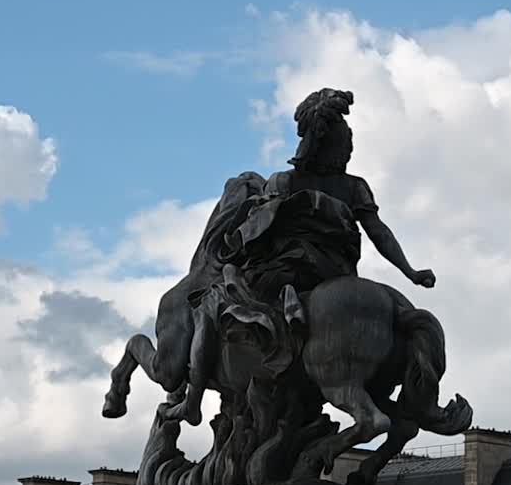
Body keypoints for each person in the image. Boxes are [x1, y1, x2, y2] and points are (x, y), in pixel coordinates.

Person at [162, 88, 434, 426]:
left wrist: (234, 246)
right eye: (345, 143)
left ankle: (193, 400)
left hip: (285, 269)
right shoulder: (355, 187)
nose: (348, 150)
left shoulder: (285, 180)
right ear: (333, 145)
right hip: (335, 272)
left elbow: (259, 229)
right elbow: (379, 233)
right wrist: (410, 272)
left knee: (209, 302)